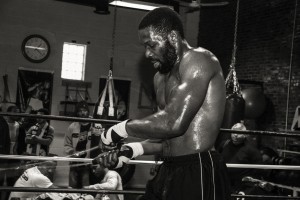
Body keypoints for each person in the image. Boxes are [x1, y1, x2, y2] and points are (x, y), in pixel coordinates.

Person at [93, 7, 230, 200]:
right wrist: (131, 150)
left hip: (198, 169)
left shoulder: (199, 59)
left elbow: (173, 122)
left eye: (151, 45)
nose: (147, 54)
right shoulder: (160, 78)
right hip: (168, 168)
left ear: (172, 37)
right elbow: (165, 138)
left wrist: (118, 130)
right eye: (145, 47)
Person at [64, 100, 103, 188]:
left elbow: (102, 142)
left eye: (84, 110)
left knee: (86, 186)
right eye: (80, 111)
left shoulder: (96, 124)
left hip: (89, 161)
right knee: (72, 186)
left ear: (88, 111)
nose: (82, 113)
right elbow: (67, 143)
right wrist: (71, 152)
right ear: (77, 112)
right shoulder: (72, 126)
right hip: (75, 161)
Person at [220, 122, 263, 194]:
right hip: (224, 184)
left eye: (238, 133)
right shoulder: (224, 144)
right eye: (233, 132)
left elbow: (257, 172)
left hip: (240, 187)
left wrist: (246, 190)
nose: (235, 135)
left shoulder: (252, 150)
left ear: (245, 134)